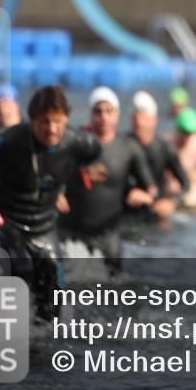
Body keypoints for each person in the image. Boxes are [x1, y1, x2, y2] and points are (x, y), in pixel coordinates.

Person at [0, 86, 100, 321]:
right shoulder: (7, 141)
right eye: (44, 122)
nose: (52, 129)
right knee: (23, 269)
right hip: (4, 223)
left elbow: (94, 154)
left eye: (58, 122)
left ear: (66, 119)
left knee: (53, 301)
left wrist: (76, 175)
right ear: (32, 120)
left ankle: (39, 336)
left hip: (44, 229)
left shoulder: (79, 142)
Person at [58, 87, 157, 279]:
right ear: (91, 115)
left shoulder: (128, 148)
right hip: (70, 231)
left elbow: (152, 189)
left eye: (109, 111)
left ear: (117, 115)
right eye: (97, 111)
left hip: (108, 235)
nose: (103, 117)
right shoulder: (74, 142)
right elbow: (50, 169)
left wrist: (144, 195)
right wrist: (54, 192)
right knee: (63, 285)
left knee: (114, 286)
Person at [127, 91, 187, 219]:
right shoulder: (122, 145)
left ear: (155, 120)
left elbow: (186, 184)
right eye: (136, 119)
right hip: (127, 210)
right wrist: (128, 193)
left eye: (144, 119)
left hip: (156, 210)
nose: (140, 123)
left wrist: (172, 203)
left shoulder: (165, 149)